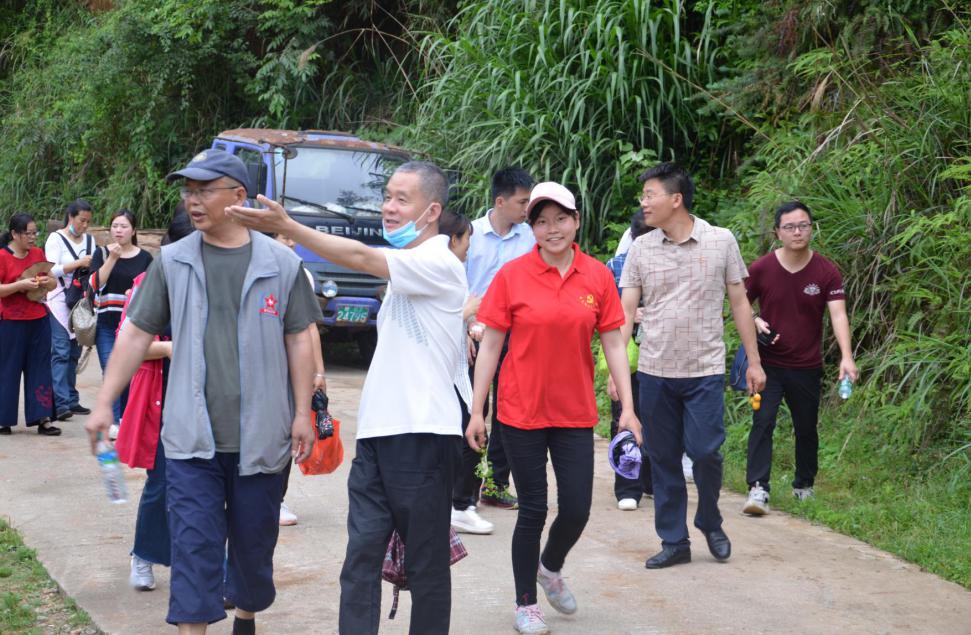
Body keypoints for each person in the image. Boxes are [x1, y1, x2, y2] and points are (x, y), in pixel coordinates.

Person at [85, 149, 319, 635]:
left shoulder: (281, 264)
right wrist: (106, 401)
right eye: (188, 190)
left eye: (203, 190)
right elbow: (134, 332)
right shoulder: (172, 261)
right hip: (191, 440)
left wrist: (302, 412)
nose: (192, 200)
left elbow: (299, 337)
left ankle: (246, 617)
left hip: (262, 437)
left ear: (238, 197)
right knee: (193, 550)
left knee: (254, 547)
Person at [228, 160, 466, 635]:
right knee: (359, 561)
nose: (389, 207)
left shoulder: (439, 262)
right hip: (378, 437)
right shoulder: (407, 267)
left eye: (402, 199)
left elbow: (358, 257)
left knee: (425, 568)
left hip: (424, 435)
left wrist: (289, 226)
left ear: (432, 210)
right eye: (388, 196)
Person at [466, 182, 642, 635]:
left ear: (576, 220)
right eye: (541, 221)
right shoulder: (512, 276)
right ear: (532, 228)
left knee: (579, 507)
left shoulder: (597, 276)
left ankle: (551, 566)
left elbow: (614, 344)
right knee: (533, 509)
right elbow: (491, 347)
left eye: (560, 218)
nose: (552, 229)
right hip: (521, 408)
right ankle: (526, 603)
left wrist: (628, 406)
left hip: (575, 410)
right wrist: (477, 409)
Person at [618, 162, 765, 569]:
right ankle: (674, 541)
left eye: (650, 195)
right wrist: (618, 375)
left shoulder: (721, 241)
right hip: (654, 372)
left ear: (676, 199)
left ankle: (709, 519)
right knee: (663, 460)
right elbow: (626, 311)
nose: (643, 203)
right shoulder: (640, 248)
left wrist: (754, 362)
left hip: (704, 370)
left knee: (705, 453)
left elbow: (739, 302)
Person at [742, 201, 858, 514]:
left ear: (811, 228)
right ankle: (758, 488)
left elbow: (838, 315)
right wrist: (754, 319)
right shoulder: (762, 268)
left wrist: (846, 357)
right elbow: (738, 303)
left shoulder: (826, 271)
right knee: (762, 422)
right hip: (767, 364)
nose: (798, 232)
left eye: (804, 225)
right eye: (790, 226)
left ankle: (804, 485)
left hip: (806, 365)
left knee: (806, 427)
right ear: (777, 232)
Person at [122, 204, 194, 593]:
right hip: (161, 398)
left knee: (209, 489)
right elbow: (127, 341)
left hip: (207, 398)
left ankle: (209, 567)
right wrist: (168, 350)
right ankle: (144, 555)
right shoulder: (150, 281)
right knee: (162, 482)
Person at [464, 166, 536, 511]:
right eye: (523, 202)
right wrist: (464, 325)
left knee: (508, 411)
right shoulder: (470, 235)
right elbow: (456, 284)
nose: (527, 209)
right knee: (473, 407)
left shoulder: (531, 238)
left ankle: (495, 484)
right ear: (500, 201)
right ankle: (463, 486)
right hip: (473, 334)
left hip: (517, 336)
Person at [438, 212, 493, 534]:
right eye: (467, 239)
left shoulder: (455, 272)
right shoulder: (435, 273)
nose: (470, 248)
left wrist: (470, 325)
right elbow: (428, 325)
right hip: (441, 373)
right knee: (462, 433)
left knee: (469, 429)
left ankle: (461, 502)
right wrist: (466, 314)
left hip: (460, 367)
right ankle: (457, 504)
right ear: (452, 240)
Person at [270, 230, 328, 527]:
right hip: (264, 368)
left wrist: (318, 370)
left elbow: (308, 329)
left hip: (292, 369)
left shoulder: (300, 274)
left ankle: (277, 499)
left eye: (292, 237)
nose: (291, 243)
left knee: (288, 432)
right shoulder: (257, 269)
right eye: (284, 237)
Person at [604, 210, 653, 510]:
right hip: (627, 351)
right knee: (624, 414)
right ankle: (627, 484)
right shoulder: (616, 267)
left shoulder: (676, 262)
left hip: (663, 352)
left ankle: (651, 481)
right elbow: (604, 311)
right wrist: (632, 314)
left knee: (658, 417)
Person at [89, 209, 153, 439]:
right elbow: (95, 283)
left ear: (133, 230)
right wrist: (112, 258)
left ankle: (125, 417)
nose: (118, 230)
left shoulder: (145, 258)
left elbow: (150, 288)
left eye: (124, 226)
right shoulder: (101, 253)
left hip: (132, 325)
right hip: (106, 322)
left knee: (130, 371)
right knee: (111, 368)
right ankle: (114, 421)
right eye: (115, 226)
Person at [0, 213, 59, 436]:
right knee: (8, 370)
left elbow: (53, 282)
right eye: (29, 233)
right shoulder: (2, 256)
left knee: (41, 368)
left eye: (35, 233)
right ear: (15, 234)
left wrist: (46, 282)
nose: (33, 237)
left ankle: (42, 418)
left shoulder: (37, 253)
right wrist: (20, 285)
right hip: (10, 322)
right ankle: (3, 420)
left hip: (38, 320)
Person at [45, 199, 96, 421]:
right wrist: (78, 264)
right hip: (57, 301)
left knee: (74, 352)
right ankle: (60, 403)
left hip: (79, 303)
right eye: (81, 220)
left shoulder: (90, 241)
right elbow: (49, 270)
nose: (84, 225)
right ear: (70, 217)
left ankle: (72, 399)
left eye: (88, 221)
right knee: (60, 352)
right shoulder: (55, 239)